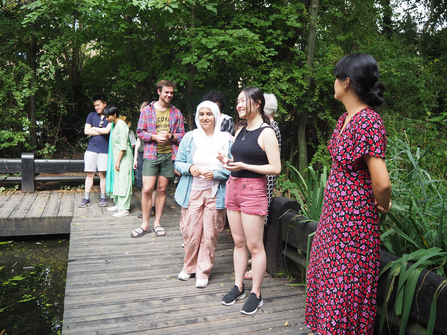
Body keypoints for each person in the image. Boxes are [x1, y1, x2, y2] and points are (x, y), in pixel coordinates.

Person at [304, 53, 392, 335]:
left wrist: (383, 206)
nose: (333, 82)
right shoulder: (346, 118)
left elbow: (382, 183)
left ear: (346, 82)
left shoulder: (368, 122)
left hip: (352, 225)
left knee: (343, 285)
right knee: (330, 279)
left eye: (336, 77)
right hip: (335, 221)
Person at [218, 87, 281, 315]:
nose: (238, 106)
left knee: (255, 245)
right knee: (238, 242)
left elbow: (275, 168)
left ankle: (256, 293)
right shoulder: (241, 130)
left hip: (254, 190)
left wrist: (244, 166)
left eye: (242, 101)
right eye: (237, 102)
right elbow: (238, 160)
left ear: (257, 103)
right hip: (233, 187)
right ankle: (238, 286)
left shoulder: (267, 132)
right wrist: (227, 161)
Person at [174, 101, 232, 288]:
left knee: (210, 234)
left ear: (216, 116)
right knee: (191, 231)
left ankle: (203, 271)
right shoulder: (190, 137)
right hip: (192, 192)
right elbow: (178, 163)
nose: (205, 117)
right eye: (201, 114)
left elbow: (232, 168)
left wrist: (216, 174)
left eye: (209, 114)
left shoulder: (226, 139)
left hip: (216, 192)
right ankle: (189, 266)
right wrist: (189, 167)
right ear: (197, 117)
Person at [131, 80, 185, 238]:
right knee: (147, 189)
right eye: (166, 92)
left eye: (171, 93)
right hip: (150, 154)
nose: (169, 95)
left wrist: (171, 136)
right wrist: (154, 137)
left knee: (162, 190)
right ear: (159, 92)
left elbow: (182, 134)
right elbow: (140, 132)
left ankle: (157, 223)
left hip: (168, 154)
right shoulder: (147, 111)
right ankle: (145, 224)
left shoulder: (176, 112)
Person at [244, 93, 282, 280]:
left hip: (263, 177)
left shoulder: (269, 128)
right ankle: (255, 258)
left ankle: (257, 262)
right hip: (261, 176)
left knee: (259, 221)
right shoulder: (271, 126)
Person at [78, 94, 111, 208]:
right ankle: (86, 198)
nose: (96, 107)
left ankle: (103, 198)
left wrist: (95, 129)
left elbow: (107, 131)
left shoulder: (109, 116)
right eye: (95, 105)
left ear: (104, 104)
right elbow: (86, 131)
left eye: (98, 105)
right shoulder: (91, 115)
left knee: (102, 174)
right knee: (89, 174)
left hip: (104, 149)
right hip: (91, 149)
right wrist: (102, 130)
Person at [102, 105, 134, 217]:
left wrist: (118, 161)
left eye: (107, 116)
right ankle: (118, 204)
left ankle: (124, 208)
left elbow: (123, 146)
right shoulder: (114, 125)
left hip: (124, 158)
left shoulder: (122, 125)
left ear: (114, 115)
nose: (106, 119)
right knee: (117, 181)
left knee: (124, 182)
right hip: (117, 157)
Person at [134, 102, 157, 218]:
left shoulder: (154, 123)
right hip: (141, 154)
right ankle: (145, 208)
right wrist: (135, 159)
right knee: (143, 183)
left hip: (151, 154)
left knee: (153, 185)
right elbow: (138, 142)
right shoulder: (141, 123)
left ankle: (152, 208)